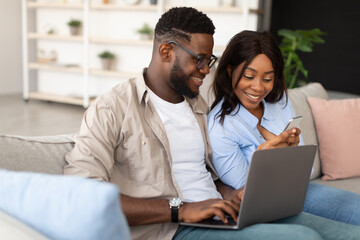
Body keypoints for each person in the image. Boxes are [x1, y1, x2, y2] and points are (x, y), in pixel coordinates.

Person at [64, 7, 360, 240]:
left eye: (210, 59)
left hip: (222, 215)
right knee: (303, 237)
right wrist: (182, 210)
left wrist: (236, 195)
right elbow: (80, 195)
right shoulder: (112, 108)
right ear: (166, 51)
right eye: (200, 60)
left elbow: (206, 175)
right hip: (175, 229)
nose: (206, 70)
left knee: (349, 233)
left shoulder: (197, 106)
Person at [208, 30, 360, 227]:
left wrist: (292, 152)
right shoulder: (219, 127)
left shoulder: (279, 102)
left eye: (267, 78)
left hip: (302, 189)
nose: (258, 87)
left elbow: (308, 169)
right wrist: (266, 160)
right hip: (269, 204)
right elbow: (248, 194)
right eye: (249, 76)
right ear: (229, 71)